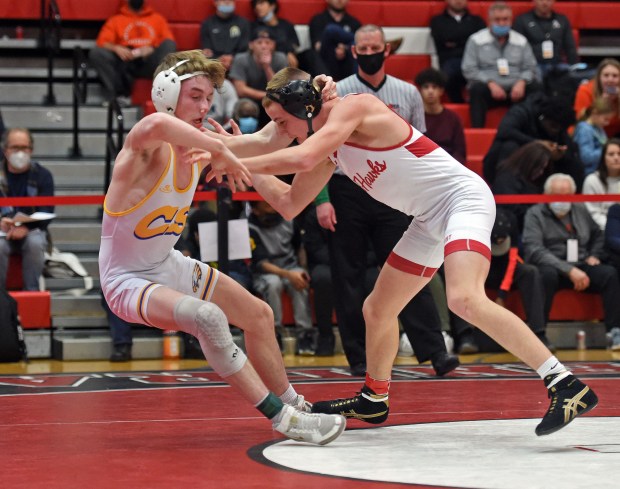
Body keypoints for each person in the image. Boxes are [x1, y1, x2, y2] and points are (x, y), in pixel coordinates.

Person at [208, 67, 598, 435]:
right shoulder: (327, 146)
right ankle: (374, 399)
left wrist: (234, 156)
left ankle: (564, 383)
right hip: (429, 217)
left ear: (304, 107)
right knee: (377, 309)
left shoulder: (353, 109)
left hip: (462, 200)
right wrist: (218, 150)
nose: (280, 131)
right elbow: (288, 198)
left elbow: (298, 155)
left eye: (282, 121)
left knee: (464, 298)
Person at [98, 49, 346, 445]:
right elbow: (159, 124)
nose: (205, 105)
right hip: (125, 280)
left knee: (259, 315)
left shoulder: (204, 147)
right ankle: (282, 418)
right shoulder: (143, 143)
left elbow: (273, 136)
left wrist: (315, 93)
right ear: (166, 93)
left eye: (210, 97)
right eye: (195, 96)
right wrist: (222, 150)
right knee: (209, 318)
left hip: (166, 264)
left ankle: (296, 403)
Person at [314, 25, 459, 377]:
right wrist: (322, 198)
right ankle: (360, 358)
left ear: (386, 50)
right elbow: (316, 150)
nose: (369, 52)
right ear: (353, 52)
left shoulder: (407, 93)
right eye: (362, 47)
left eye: (374, 47)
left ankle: (435, 351)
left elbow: (421, 146)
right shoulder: (340, 92)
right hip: (346, 189)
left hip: (393, 190)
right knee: (347, 275)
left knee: (409, 270)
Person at [523, 173, 620, 352]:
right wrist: (568, 270)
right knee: (544, 275)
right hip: (553, 266)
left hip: (582, 263)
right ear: (547, 195)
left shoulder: (580, 209)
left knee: (609, 274)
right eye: (557, 196)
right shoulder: (535, 214)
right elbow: (534, 249)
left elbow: (598, 235)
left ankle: (614, 332)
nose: (563, 200)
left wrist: (594, 254)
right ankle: (539, 334)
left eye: (567, 196)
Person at [248, 199, 315, 355]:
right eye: (267, 207)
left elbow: (300, 248)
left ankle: (305, 334)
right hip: (265, 272)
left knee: (300, 280)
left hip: (290, 266)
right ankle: (274, 334)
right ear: (256, 211)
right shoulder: (249, 227)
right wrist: (288, 275)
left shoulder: (289, 220)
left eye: (273, 205)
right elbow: (260, 263)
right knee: (273, 284)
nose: (272, 209)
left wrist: (302, 270)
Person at [461, 1, 540, 128]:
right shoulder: (476, 40)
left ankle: (533, 134)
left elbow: (530, 67)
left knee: (535, 88)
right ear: (489, 21)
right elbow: (469, 69)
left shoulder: (521, 40)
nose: (502, 23)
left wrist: (521, 82)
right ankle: (478, 132)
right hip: (489, 89)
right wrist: (491, 83)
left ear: (511, 20)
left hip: (516, 90)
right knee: (476, 90)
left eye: (505, 19)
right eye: (497, 20)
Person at [483, 92, 584, 189]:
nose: (556, 131)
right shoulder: (522, 111)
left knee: (574, 161)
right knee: (509, 146)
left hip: (542, 172)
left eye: (560, 129)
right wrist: (537, 144)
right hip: (509, 164)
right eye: (553, 127)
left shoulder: (560, 125)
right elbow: (504, 131)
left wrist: (561, 154)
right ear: (543, 118)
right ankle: (506, 190)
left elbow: (568, 146)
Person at [88, 0, 177, 105]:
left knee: (169, 45)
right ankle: (117, 95)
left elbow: (168, 41)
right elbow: (102, 42)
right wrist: (116, 48)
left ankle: (165, 94)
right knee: (97, 53)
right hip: (124, 61)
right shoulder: (116, 19)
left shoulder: (157, 19)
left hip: (148, 61)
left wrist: (152, 48)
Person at [0, 128, 54, 291]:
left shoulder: (43, 175)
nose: (21, 153)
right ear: (5, 150)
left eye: (25, 148)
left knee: (35, 243)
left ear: (31, 150)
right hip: (2, 230)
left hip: (32, 230)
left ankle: (32, 293)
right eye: (15, 148)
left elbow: (47, 210)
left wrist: (26, 227)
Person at [229, 27, 289, 128]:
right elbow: (241, 90)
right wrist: (267, 95)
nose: (264, 46)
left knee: (286, 105)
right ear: (251, 45)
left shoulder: (281, 59)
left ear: (273, 45)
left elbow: (279, 89)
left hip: (273, 101)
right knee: (246, 107)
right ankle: (244, 140)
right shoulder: (241, 59)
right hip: (250, 100)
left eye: (267, 42)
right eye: (259, 42)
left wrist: (267, 67)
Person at [430, 0, 486, 103]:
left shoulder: (477, 21)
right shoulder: (437, 21)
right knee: (448, 73)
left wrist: (454, 43)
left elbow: (482, 42)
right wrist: (468, 41)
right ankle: (458, 104)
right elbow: (444, 38)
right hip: (450, 63)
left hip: (475, 61)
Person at [492, 140, 553, 232]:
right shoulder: (507, 179)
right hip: (515, 227)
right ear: (530, 164)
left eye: (543, 168)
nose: (541, 172)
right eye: (539, 168)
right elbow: (511, 208)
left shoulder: (536, 180)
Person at [512, 0, 579, 79]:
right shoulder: (522, 20)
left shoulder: (562, 20)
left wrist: (574, 69)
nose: (544, 3)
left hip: (557, 65)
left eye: (548, 0)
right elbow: (517, 50)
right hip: (533, 67)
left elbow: (570, 48)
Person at [415, 67, 466, 164]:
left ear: (441, 91)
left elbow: (460, 151)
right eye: (426, 87)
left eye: (434, 87)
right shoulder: (415, 118)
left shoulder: (453, 118)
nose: (430, 91)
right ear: (420, 91)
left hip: (449, 166)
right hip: (422, 166)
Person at [308, 0, 361, 81]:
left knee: (356, 46)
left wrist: (345, 48)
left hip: (347, 62)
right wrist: (338, 46)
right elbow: (318, 46)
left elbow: (360, 47)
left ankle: (356, 84)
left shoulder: (354, 22)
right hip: (326, 60)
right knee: (331, 30)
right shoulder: (318, 20)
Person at [574, 58, 620, 138]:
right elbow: (581, 119)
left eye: (615, 76)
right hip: (590, 135)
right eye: (606, 75)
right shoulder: (585, 90)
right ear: (599, 77)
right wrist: (601, 104)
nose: (610, 79)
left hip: (615, 138)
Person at [200, 0, 251, 72]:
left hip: (237, 65)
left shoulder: (243, 23)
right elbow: (207, 50)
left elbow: (244, 49)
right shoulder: (207, 24)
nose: (227, 2)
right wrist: (219, 60)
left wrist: (232, 58)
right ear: (215, 2)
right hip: (214, 65)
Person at [582, 138, 620, 231]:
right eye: (611, 154)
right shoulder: (592, 180)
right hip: (600, 230)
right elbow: (592, 213)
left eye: (619, 154)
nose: (616, 158)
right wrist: (612, 228)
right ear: (603, 158)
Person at [573, 98, 614, 176]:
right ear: (595, 113)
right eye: (605, 119)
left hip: (600, 171)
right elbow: (586, 157)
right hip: (589, 174)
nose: (607, 123)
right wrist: (607, 151)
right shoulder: (584, 130)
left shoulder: (599, 128)